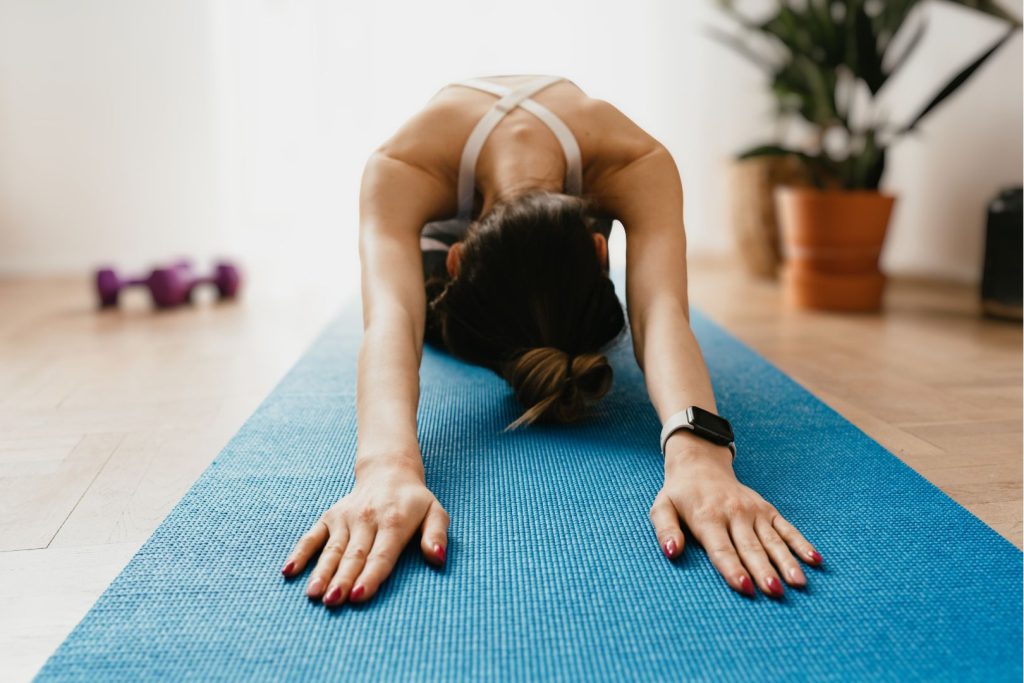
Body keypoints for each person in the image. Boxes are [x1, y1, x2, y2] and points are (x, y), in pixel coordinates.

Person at [280, 74, 823, 607]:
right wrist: (385, 467)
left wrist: (700, 455)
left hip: (523, 234)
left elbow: (661, 313)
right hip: (438, 238)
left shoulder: (635, 160)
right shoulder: (402, 165)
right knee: (422, 315)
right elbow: (392, 320)